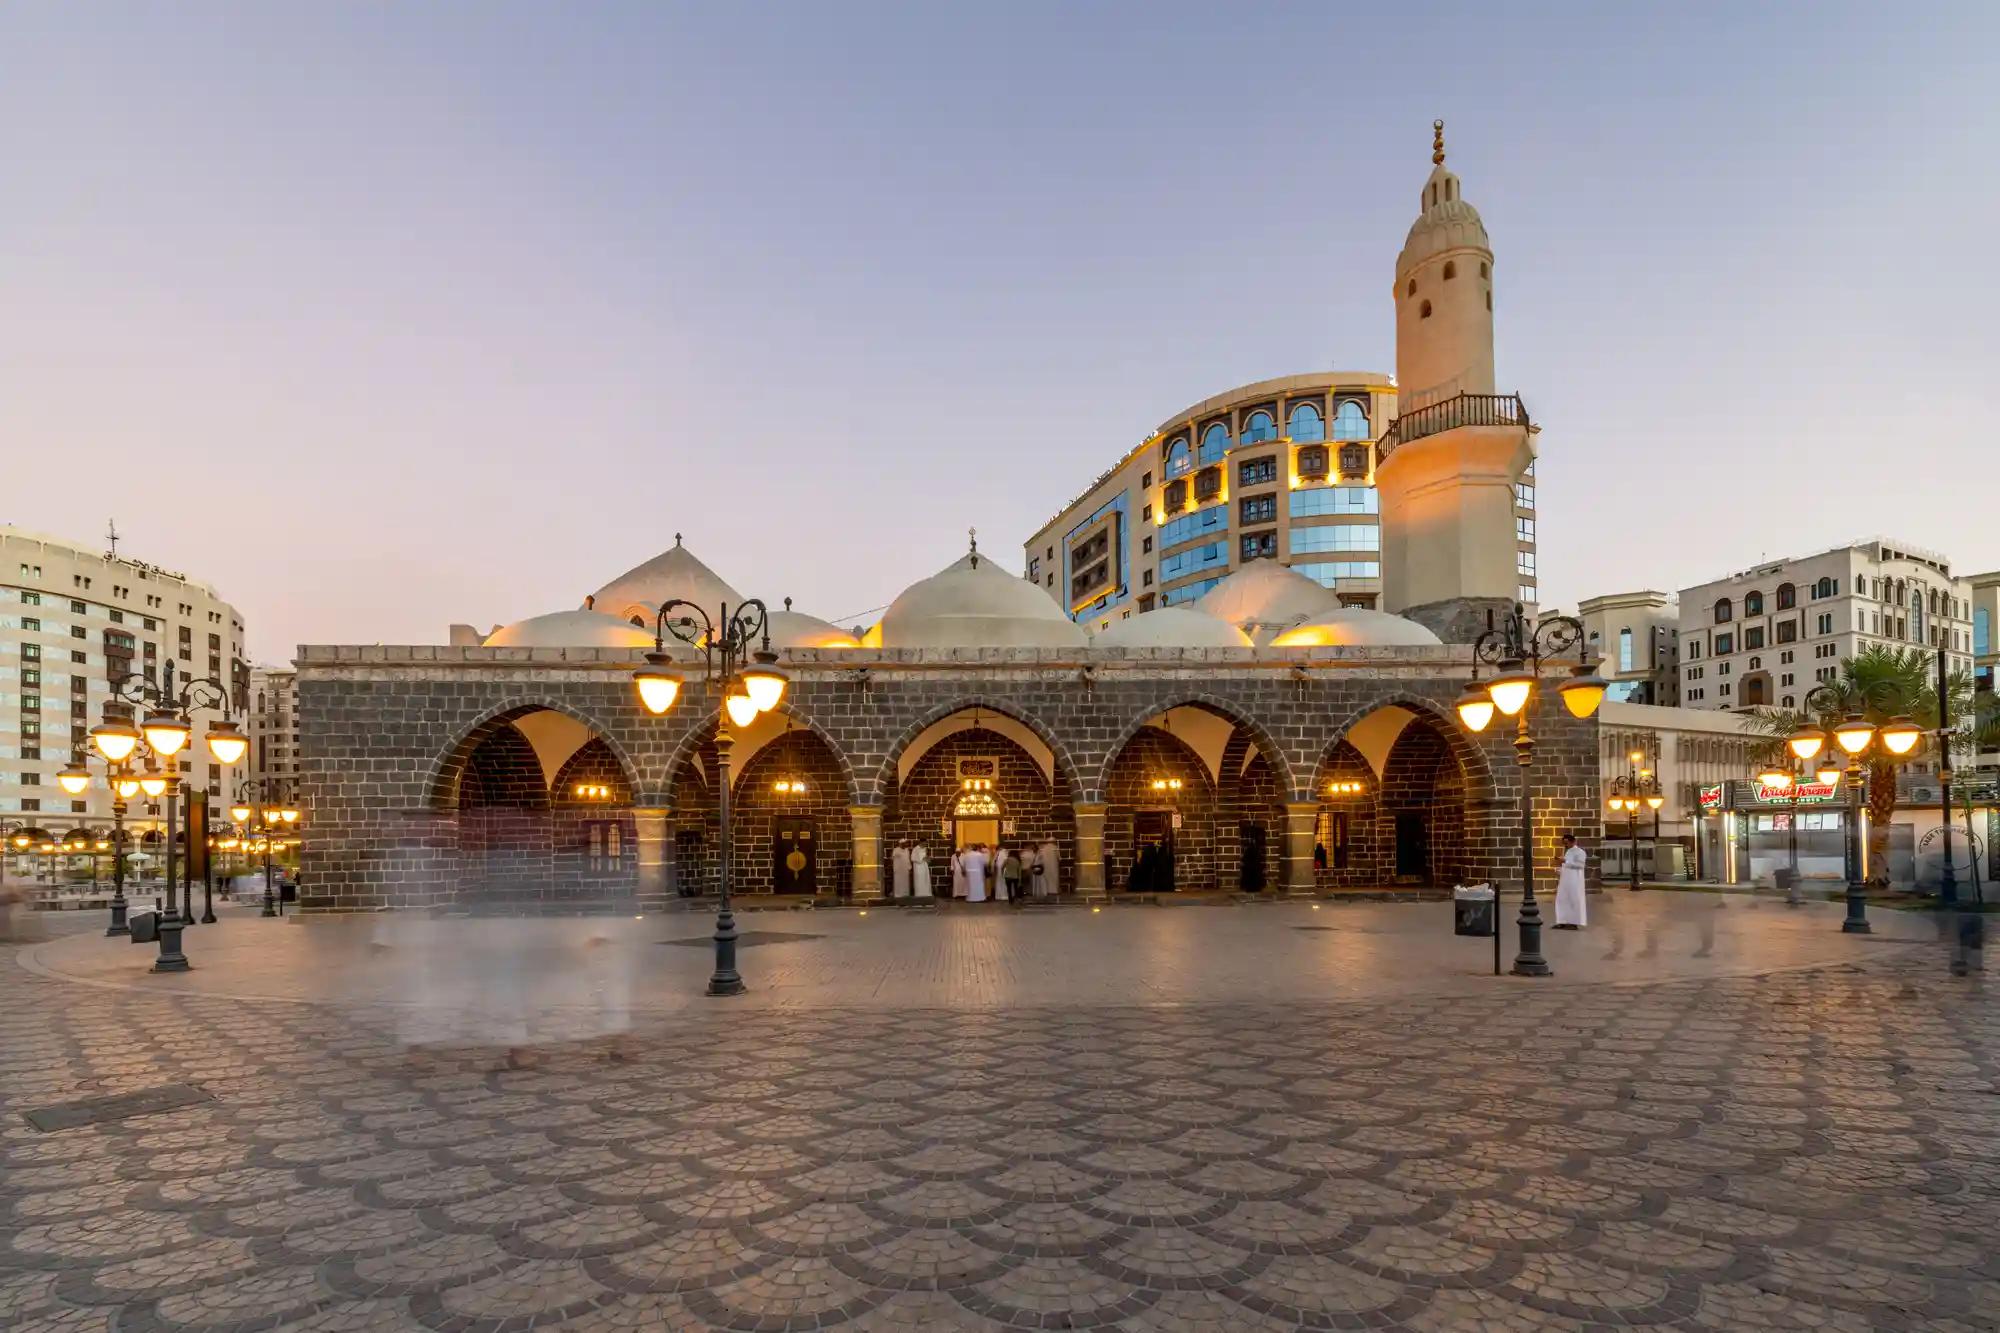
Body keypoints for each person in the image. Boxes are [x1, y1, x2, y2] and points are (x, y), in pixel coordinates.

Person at [1555, 832, 1588, 928]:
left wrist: (1566, 861)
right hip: (1565, 881)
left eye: (1567, 843)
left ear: (1573, 841)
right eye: (1564, 843)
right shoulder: (1568, 852)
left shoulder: (1580, 852)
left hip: (1575, 880)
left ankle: (1574, 922)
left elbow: (1580, 865)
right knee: (1562, 900)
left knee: (1574, 900)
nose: (1566, 845)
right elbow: (1567, 865)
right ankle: (1562, 921)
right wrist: (1560, 870)